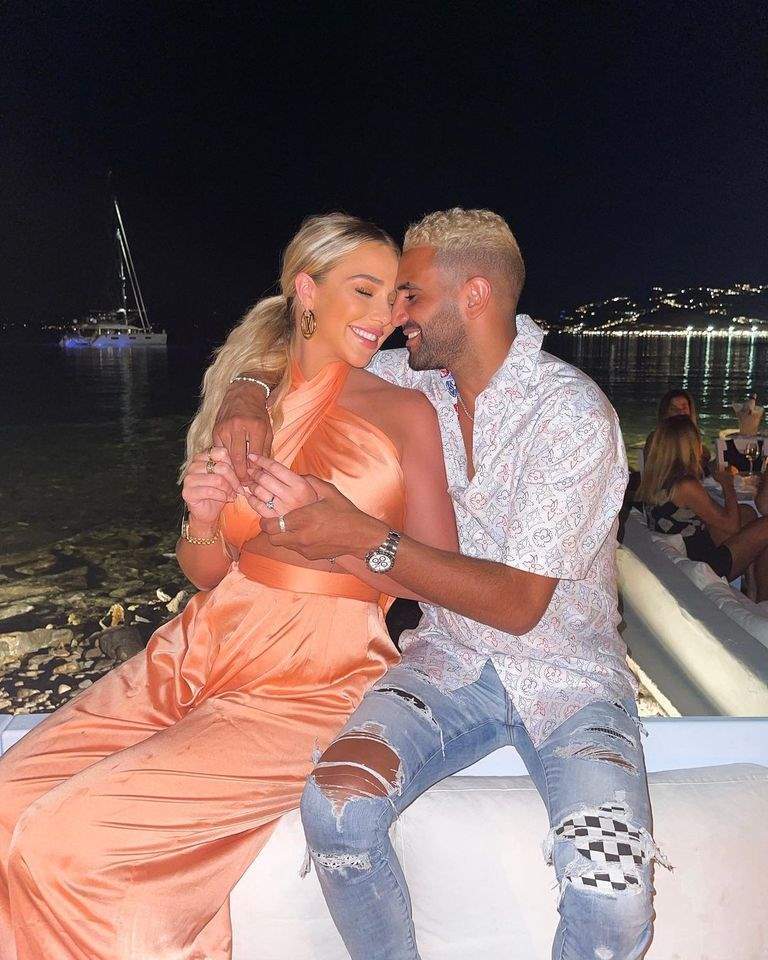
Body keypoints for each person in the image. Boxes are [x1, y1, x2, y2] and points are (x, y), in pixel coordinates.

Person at [0, 214, 458, 960]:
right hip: (201, 646)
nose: (382, 316)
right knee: (6, 801)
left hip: (315, 677)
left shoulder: (405, 410)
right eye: (363, 291)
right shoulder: (247, 405)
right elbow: (208, 570)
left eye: (393, 296)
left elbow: (440, 571)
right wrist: (205, 518)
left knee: (63, 842)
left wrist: (345, 536)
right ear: (307, 290)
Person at [215, 208, 668, 960]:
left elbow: (519, 605)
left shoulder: (570, 414)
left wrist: (364, 537)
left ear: (475, 295)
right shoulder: (410, 380)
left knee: (614, 896)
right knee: (336, 811)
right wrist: (243, 392)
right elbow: (298, 350)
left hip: (572, 677)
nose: (396, 315)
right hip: (447, 660)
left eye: (412, 295)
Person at [638, 414, 768, 599]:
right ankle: (762, 599)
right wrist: (727, 484)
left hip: (686, 555)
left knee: (747, 514)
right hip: (706, 566)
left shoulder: (656, 480)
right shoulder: (686, 486)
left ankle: (752, 589)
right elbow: (731, 526)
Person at [644, 388, 711, 473]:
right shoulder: (656, 439)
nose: (680, 412)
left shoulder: (694, 439)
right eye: (674, 409)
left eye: (684, 408)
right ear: (665, 413)